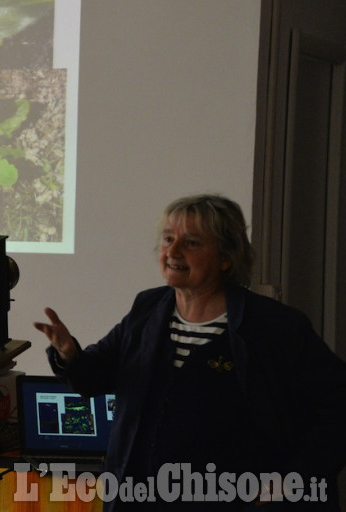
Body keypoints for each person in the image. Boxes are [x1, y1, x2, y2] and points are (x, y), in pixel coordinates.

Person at [34, 194, 346, 510]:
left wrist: (292, 479)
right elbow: (93, 377)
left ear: (226, 257)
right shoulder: (148, 309)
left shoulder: (274, 326)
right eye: (168, 239)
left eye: (191, 243)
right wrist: (69, 354)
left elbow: (338, 408)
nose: (172, 251)